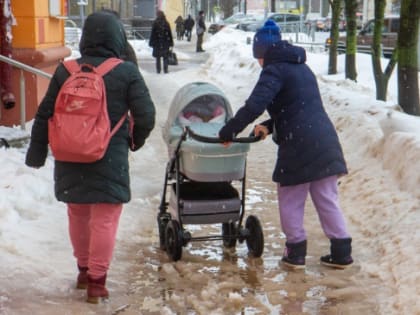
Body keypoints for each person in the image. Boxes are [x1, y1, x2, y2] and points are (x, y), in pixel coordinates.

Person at [25, 12, 156, 303]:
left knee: (79, 214)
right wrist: (134, 141)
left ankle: (83, 271)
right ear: (117, 38)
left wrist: (36, 153)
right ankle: (98, 281)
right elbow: (146, 115)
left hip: (70, 155)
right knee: (104, 220)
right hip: (109, 156)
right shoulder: (126, 72)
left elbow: (44, 114)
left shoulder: (64, 70)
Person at [218, 19, 353, 270]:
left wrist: (229, 130)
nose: (258, 62)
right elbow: (297, 107)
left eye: (258, 57)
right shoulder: (301, 68)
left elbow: (254, 105)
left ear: (263, 53)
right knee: (326, 198)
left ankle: (295, 252)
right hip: (324, 140)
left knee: (291, 197)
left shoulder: (273, 69)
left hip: (299, 146)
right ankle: (341, 251)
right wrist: (269, 126)